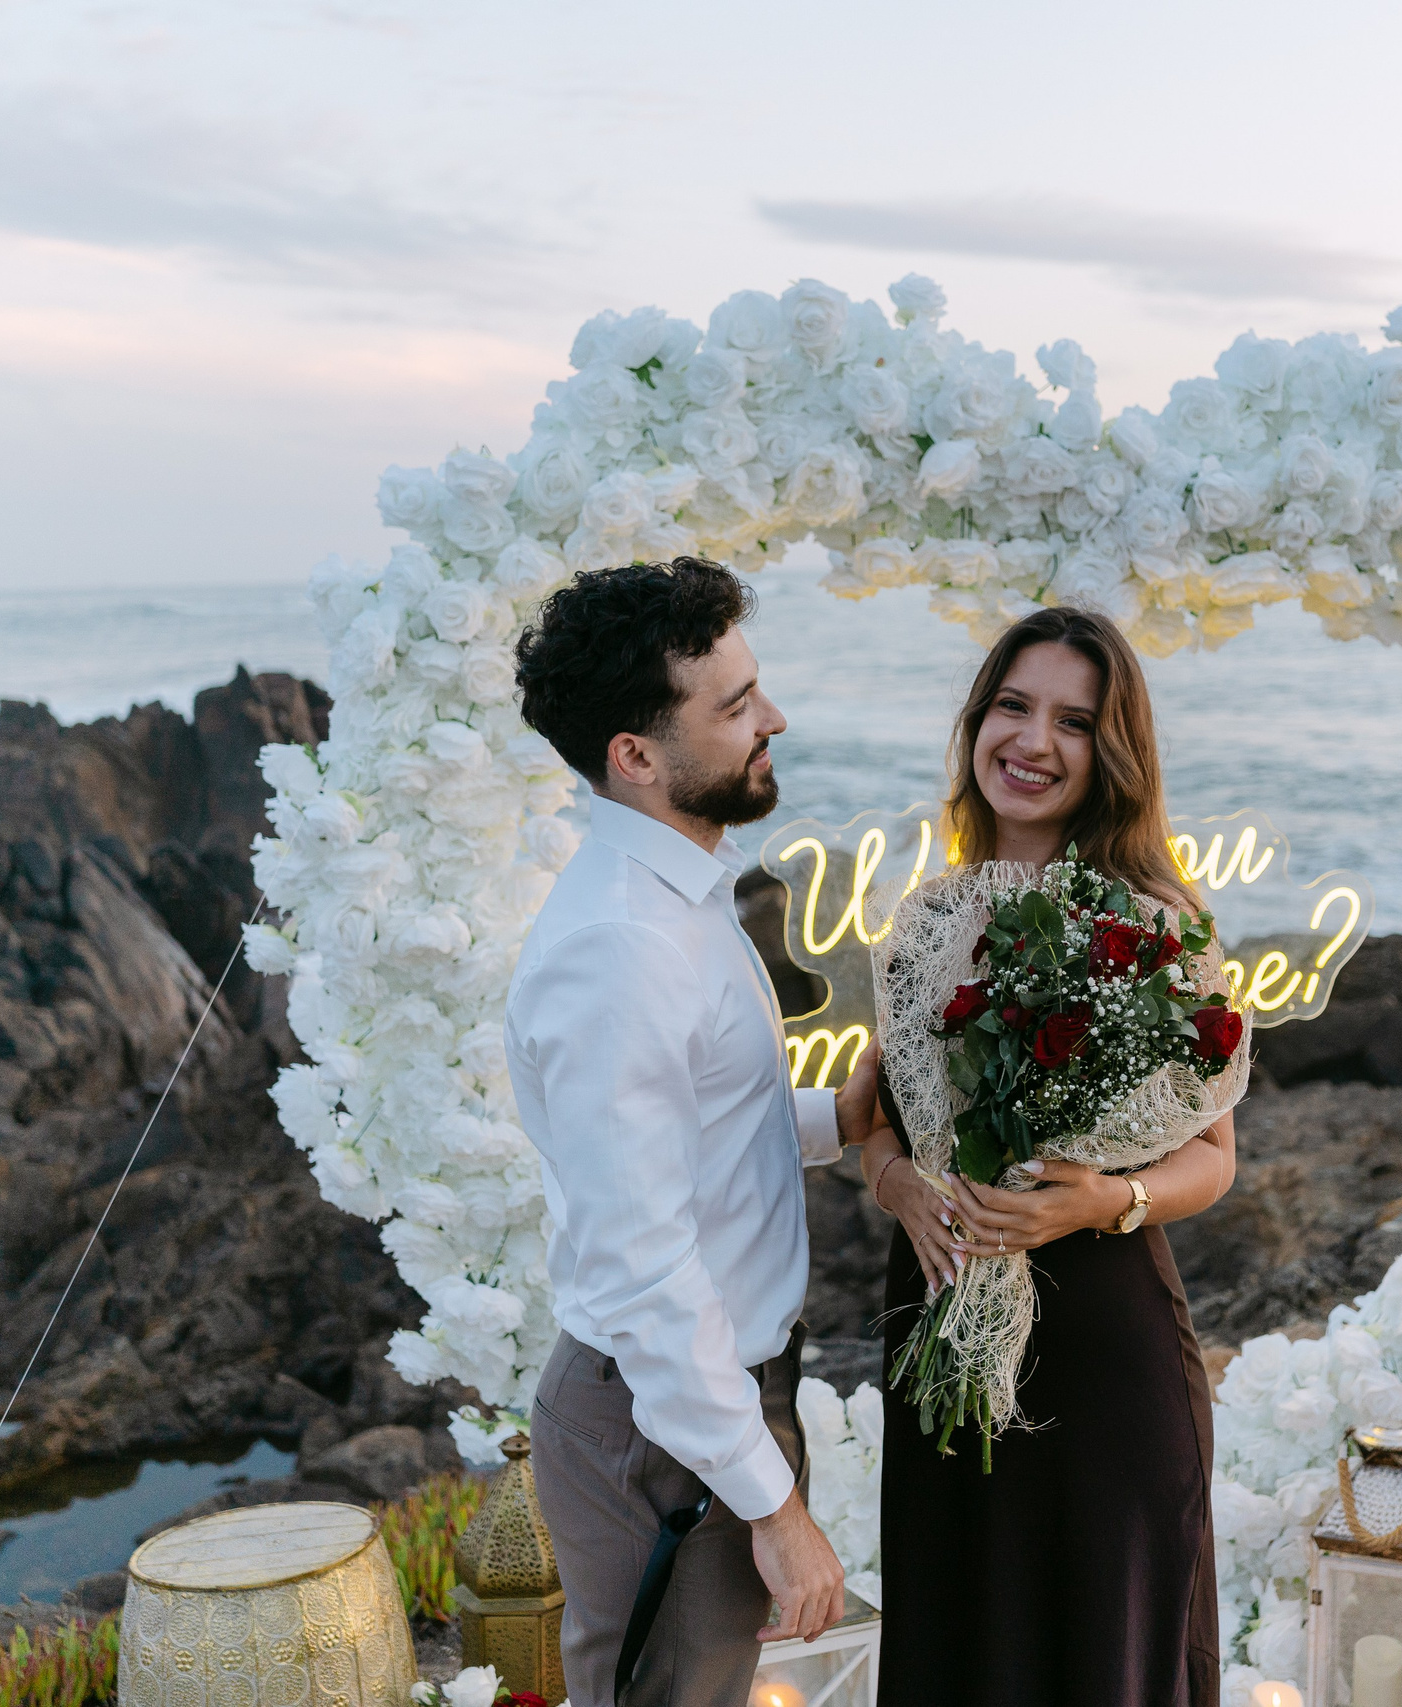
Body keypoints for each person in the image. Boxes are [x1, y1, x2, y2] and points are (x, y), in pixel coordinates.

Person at [504, 557, 881, 1707]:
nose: (773, 719)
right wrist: (774, 1511)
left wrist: (833, 1117)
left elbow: (698, 1152)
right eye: (733, 708)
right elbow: (645, 1262)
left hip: (706, 1401)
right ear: (636, 756)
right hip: (661, 1429)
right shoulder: (619, 950)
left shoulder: (682, 893)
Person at [857, 605, 1242, 1707]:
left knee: (1096, 1657)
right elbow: (875, 1113)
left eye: (1073, 722)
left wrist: (1103, 1200)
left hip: (1098, 1343)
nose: (1033, 742)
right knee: (956, 1641)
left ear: (1110, 754)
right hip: (935, 1323)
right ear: (977, 722)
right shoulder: (926, 919)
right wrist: (898, 1189)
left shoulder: (1159, 925)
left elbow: (1214, 1159)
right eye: (1013, 707)